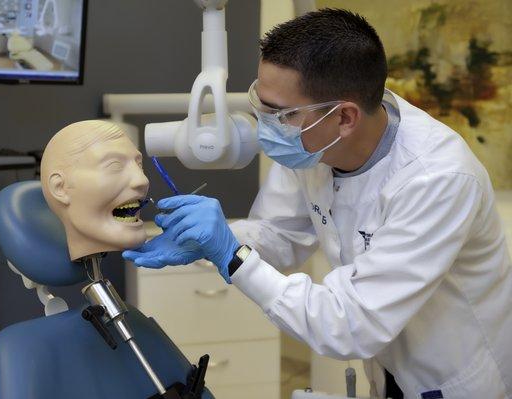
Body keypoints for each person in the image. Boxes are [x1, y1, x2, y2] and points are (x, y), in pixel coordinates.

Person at [123, 9, 512, 398]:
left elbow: (350, 323)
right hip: (388, 363)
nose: (266, 126)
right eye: (262, 103)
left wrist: (232, 256)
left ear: (344, 117)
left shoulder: (436, 179)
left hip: (456, 376)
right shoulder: (312, 145)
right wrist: (213, 242)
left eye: (281, 114)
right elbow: (280, 236)